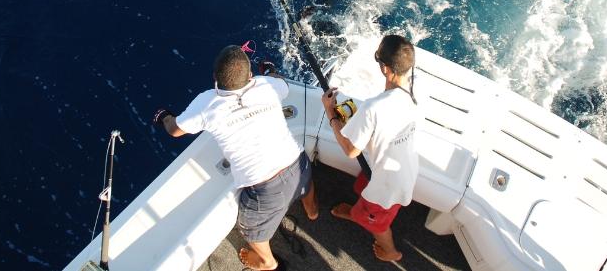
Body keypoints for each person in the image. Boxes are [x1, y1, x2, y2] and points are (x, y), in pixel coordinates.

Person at [153, 45, 318, 271]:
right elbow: (283, 83)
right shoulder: (267, 84)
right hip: (298, 165)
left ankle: (267, 263)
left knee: (251, 230)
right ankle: (312, 211)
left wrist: (164, 116)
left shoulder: (207, 102)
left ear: (215, 78)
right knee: (305, 185)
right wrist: (269, 71)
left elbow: (174, 130)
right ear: (251, 76)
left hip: (264, 189)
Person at [321, 34, 419, 262]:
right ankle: (358, 212)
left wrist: (330, 112)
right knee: (362, 187)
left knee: (377, 222)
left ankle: (391, 251)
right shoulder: (412, 92)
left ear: (385, 69)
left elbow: (351, 150)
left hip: (387, 188)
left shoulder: (373, 108)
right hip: (400, 170)